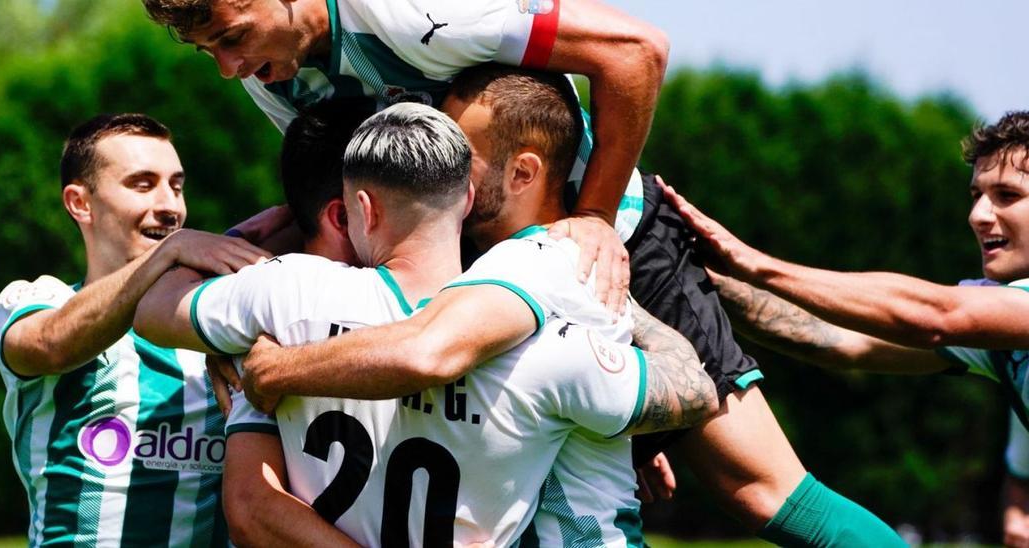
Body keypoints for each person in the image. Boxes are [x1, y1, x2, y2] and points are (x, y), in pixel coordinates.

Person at [231, 63, 903, 546]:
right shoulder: (472, 253)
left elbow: (430, 353)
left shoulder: (571, 263)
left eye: (459, 154)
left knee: (767, 492)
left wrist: (275, 369)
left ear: (522, 173)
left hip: (637, 249)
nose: (438, 165)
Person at [133, 102, 715, 545]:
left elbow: (154, 312)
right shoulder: (549, 344)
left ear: (361, 209)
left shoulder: (285, 300)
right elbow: (694, 390)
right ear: (466, 197)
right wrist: (615, 306)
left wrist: (224, 256)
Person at [142, 0, 671, 313]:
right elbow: (345, 200)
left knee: (748, 482)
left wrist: (595, 217)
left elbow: (633, 52)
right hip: (479, 281)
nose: (227, 68)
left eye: (232, 37)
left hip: (607, 244)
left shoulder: (415, 9)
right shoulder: (272, 73)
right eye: (208, 49)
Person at [658, 110, 1029, 546]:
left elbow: (939, 316)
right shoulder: (1003, 329)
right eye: (976, 195)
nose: (978, 215)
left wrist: (755, 263)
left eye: (1006, 195)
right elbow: (834, 339)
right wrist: (695, 281)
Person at [0, 113, 273, 546]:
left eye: (176, 186)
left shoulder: (220, 329)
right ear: (80, 203)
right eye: (142, 184)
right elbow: (48, 346)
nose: (171, 206)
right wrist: (169, 254)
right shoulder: (36, 300)